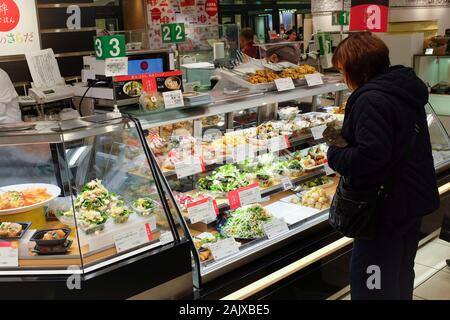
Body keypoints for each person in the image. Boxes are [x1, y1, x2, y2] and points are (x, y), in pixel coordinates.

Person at [324, 32, 440, 300]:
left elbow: (370, 156)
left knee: (372, 280)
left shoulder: (370, 98)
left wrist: (334, 155)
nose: (342, 78)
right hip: (411, 198)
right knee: (399, 271)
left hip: (384, 208)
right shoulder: (401, 88)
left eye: (342, 70)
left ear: (356, 68)